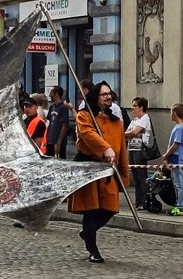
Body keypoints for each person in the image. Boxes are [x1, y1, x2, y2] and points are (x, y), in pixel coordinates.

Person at [67, 81, 129, 263]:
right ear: (96, 97)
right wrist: (105, 148)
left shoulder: (116, 122)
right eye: (104, 94)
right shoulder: (84, 116)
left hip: (109, 172)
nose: (108, 96)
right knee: (91, 210)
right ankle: (93, 249)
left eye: (109, 93)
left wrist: (124, 174)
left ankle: (87, 232)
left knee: (110, 208)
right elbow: (87, 135)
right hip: (89, 167)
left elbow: (122, 150)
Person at [124, 97, 152, 210]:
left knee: (141, 176)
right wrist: (133, 134)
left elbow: (134, 131)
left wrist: (134, 134)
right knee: (135, 176)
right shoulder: (135, 120)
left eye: (135, 106)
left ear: (141, 107)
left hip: (140, 149)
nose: (133, 108)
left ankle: (144, 201)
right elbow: (127, 132)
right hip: (132, 148)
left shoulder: (145, 118)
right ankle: (138, 202)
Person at [162, 103, 183, 216]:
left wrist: (166, 155)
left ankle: (180, 206)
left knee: (179, 183)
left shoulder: (179, 128)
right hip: (176, 158)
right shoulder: (179, 127)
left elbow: (175, 144)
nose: (170, 114)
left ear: (175, 113)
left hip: (177, 159)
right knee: (178, 183)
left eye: (171, 112)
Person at [47, 86, 69, 158]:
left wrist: (59, 142)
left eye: (51, 93)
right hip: (50, 140)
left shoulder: (63, 107)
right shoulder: (51, 107)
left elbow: (64, 126)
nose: (50, 95)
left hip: (59, 142)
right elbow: (49, 123)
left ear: (56, 94)